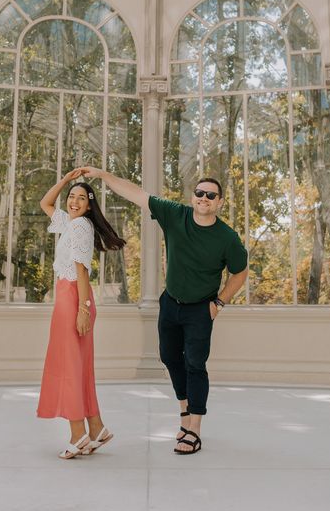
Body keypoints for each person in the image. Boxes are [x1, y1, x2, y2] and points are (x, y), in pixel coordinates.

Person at [81, 166, 248, 455]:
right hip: (170, 303)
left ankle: (194, 429)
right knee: (170, 357)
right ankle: (184, 411)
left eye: (211, 195)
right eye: (199, 193)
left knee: (195, 364)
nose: (203, 198)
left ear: (219, 202)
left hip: (200, 310)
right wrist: (103, 175)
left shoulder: (227, 238)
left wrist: (218, 303)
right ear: (193, 197)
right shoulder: (176, 215)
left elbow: (240, 273)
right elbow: (135, 193)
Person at [36, 168, 126, 458]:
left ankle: (78, 435)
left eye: (80, 198)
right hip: (70, 298)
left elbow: (81, 270)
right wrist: (64, 181)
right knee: (78, 367)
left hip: (73, 298)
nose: (73, 201)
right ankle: (96, 427)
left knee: (68, 367)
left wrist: (83, 309)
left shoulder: (78, 227)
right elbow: (46, 204)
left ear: (90, 205)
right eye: (71, 197)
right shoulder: (71, 222)